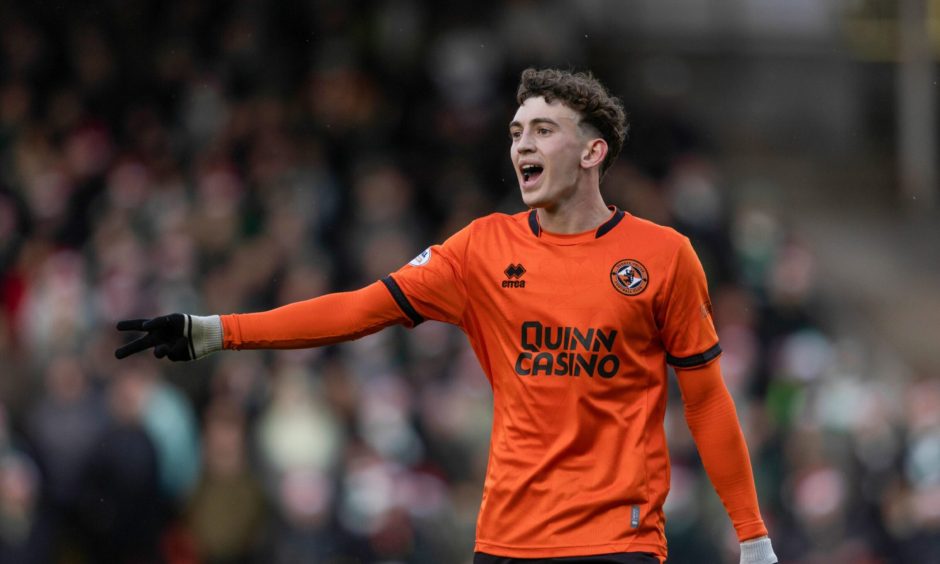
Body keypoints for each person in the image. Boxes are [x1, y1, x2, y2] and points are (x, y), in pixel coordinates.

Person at [116, 68, 778, 564]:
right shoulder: (481, 249)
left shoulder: (664, 257)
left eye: (543, 130)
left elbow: (707, 400)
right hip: (507, 541)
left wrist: (752, 537)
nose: (523, 143)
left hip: (619, 539)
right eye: (517, 131)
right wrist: (218, 331)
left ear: (592, 151)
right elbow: (358, 308)